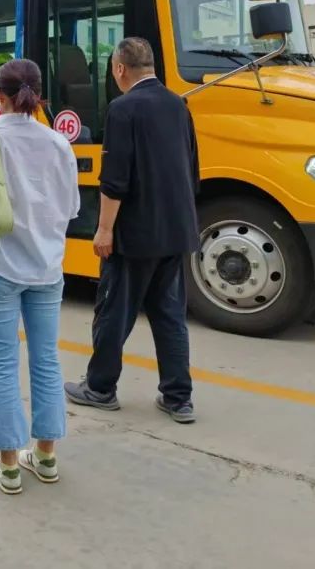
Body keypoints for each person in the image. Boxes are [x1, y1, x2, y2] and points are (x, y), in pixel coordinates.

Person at [0, 59, 80, 495]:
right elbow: (71, 208)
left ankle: (8, 465)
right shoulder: (58, 143)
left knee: (3, 362)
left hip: (0, 264)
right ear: (38, 95)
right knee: (46, 360)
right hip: (47, 267)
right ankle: (45, 457)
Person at [65, 37, 198, 423]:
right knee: (170, 316)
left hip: (135, 234)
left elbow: (114, 180)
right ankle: (178, 398)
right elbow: (192, 167)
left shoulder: (122, 109)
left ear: (120, 69)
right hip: (175, 231)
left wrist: (104, 229)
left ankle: (100, 387)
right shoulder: (178, 104)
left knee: (113, 312)